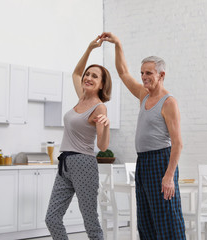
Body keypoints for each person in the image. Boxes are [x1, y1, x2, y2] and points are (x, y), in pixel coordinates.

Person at [101, 32, 186, 240]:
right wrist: (118, 44)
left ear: (161, 75)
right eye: (142, 73)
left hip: (161, 161)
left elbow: (177, 143)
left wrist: (168, 176)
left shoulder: (168, 103)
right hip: (144, 162)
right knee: (146, 220)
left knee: (167, 219)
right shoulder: (143, 94)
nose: (144, 77)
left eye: (149, 73)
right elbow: (122, 72)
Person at [45, 35, 111, 240]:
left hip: (84, 163)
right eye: (88, 74)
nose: (88, 78)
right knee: (52, 218)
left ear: (101, 84)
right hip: (65, 164)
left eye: (94, 76)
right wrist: (90, 48)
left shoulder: (99, 106)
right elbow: (75, 72)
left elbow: (102, 145)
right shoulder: (81, 97)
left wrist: (106, 126)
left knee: (90, 221)